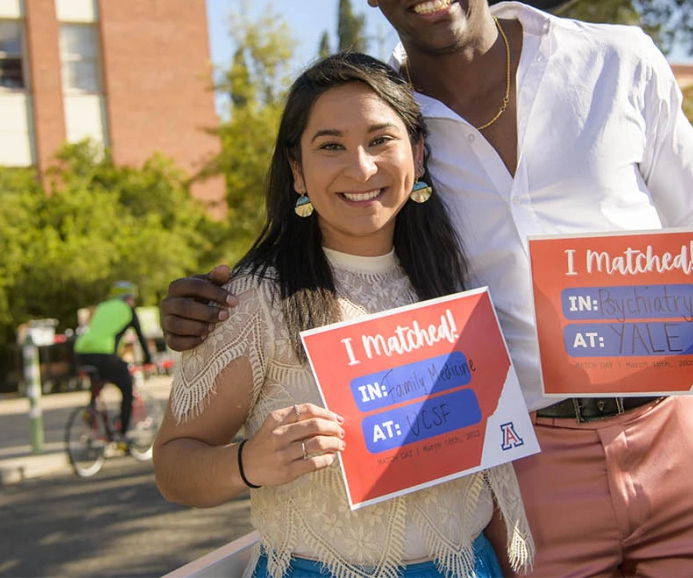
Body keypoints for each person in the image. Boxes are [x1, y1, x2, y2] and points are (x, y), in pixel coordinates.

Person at [160, 0, 693, 577]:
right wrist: (206, 302)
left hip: (680, 431)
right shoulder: (386, 128)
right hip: (525, 469)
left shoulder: (616, 60)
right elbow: (327, 227)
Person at [153, 53, 532, 578]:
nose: (361, 168)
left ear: (418, 155)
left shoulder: (455, 275)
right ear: (296, 171)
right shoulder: (255, 299)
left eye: (380, 140)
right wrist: (248, 464)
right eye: (331, 146)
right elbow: (174, 467)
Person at [74, 281, 152, 439]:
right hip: (102, 353)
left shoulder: (102, 307)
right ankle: (122, 434)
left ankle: (91, 413)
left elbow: (105, 333)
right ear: (128, 298)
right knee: (127, 389)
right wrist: (148, 359)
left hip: (81, 351)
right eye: (132, 298)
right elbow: (141, 337)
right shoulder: (128, 310)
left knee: (98, 382)